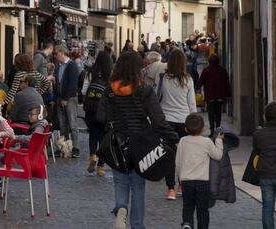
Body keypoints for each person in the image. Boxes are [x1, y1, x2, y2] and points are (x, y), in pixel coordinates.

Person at [97, 51, 178, 229]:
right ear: (138, 68)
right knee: (138, 185)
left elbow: (101, 117)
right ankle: (137, 224)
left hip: (117, 144)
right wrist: (174, 138)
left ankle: (121, 209)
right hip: (140, 144)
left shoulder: (110, 90)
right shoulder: (145, 90)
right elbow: (158, 120)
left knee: (119, 181)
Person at [158, 49, 197, 200]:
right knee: (183, 156)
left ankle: (170, 189)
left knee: (169, 156)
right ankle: (181, 185)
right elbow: (192, 104)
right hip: (184, 121)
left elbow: (158, 98)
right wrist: (195, 123)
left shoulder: (164, 79)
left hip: (167, 121)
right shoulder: (188, 80)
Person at [176, 113, 223, 229]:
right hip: (202, 181)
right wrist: (219, 141)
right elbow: (217, 156)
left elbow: (178, 162)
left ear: (186, 129)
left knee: (187, 206)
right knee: (202, 209)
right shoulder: (206, 142)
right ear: (203, 129)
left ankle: (187, 223)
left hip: (186, 181)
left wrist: (180, 178)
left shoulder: (182, 141)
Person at [81, 51, 112, 176]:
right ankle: (100, 167)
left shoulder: (90, 72)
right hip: (104, 111)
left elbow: (83, 91)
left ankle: (92, 156)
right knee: (103, 138)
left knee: (93, 135)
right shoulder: (110, 74)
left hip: (90, 109)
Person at [196, 54, 231, 137]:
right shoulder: (222, 70)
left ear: (209, 61)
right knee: (218, 114)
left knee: (211, 114)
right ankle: (218, 130)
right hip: (220, 96)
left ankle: (212, 131)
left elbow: (201, 81)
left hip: (210, 96)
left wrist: (197, 87)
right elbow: (227, 83)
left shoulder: (206, 70)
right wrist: (228, 94)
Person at [55, 45, 80, 158]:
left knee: (72, 124)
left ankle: (76, 148)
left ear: (62, 53)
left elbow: (72, 84)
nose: (56, 56)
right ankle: (64, 147)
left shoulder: (72, 65)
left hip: (69, 98)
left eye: (57, 54)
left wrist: (65, 98)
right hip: (60, 98)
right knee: (62, 124)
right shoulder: (59, 66)